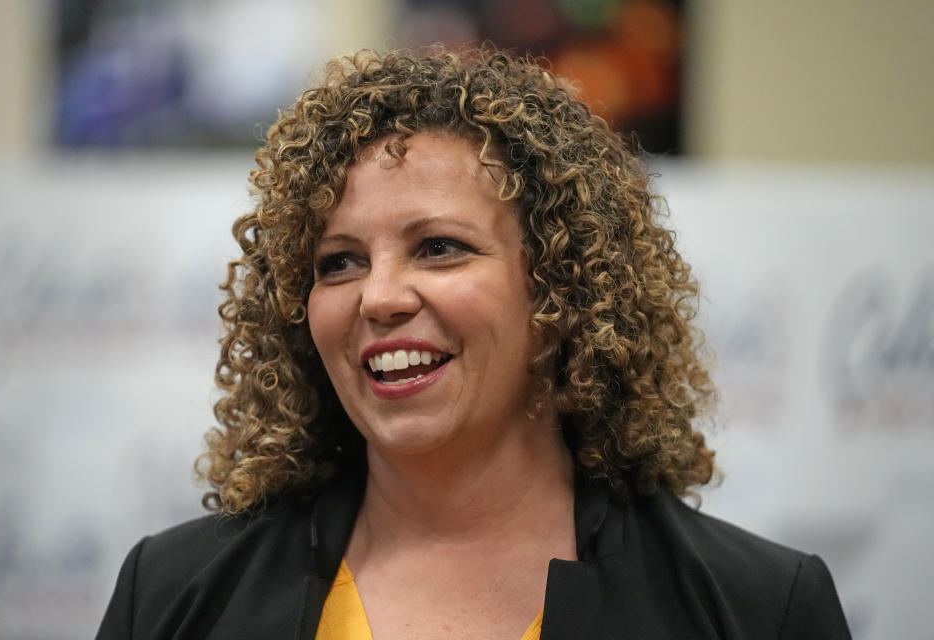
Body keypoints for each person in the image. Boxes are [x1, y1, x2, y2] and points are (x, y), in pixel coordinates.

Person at [97, 48, 852, 639]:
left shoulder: (755, 611)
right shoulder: (171, 594)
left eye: (439, 248)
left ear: (560, 289)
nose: (380, 296)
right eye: (340, 263)